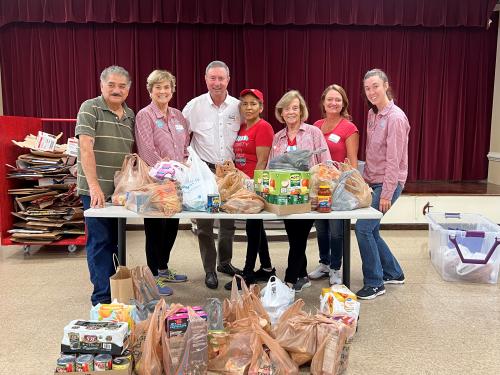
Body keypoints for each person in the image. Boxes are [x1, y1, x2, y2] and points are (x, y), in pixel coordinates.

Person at [76, 65, 135, 306]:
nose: (116, 90)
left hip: (121, 193)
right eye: (111, 85)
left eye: (122, 86)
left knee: (117, 242)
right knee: (100, 242)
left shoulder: (130, 115)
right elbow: (85, 148)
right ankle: (102, 298)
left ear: (128, 90)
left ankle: (116, 290)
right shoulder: (90, 108)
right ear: (102, 86)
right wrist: (94, 186)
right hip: (96, 192)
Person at [182, 60, 242, 289]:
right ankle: (209, 269)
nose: (217, 83)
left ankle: (224, 262)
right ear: (206, 80)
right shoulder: (193, 106)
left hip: (230, 172)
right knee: (205, 224)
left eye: (221, 78)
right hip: (204, 172)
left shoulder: (237, 107)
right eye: (213, 78)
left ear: (228, 80)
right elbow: (181, 138)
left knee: (228, 223)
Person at [354, 68, 410, 300]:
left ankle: (375, 282)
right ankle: (394, 272)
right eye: (367, 88)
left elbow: (393, 160)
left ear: (386, 85)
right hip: (373, 181)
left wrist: (386, 193)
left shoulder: (396, 118)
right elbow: (372, 152)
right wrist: (365, 181)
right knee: (372, 230)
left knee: (363, 228)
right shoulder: (372, 114)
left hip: (389, 183)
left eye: (376, 86)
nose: (371, 92)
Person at [268, 90, 331, 292]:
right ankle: (302, 276)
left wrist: (322, 189)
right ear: (281, 112)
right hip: (285, 199)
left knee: (298, 239)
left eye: (295, 108)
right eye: (287, 108)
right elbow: (271, 167)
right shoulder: (278, 138)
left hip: (307, 197)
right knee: (294, 237)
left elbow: (327, 163)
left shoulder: (314, 133)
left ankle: (289, 279)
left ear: (301, 110)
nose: (291, 112)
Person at [135, 69, 189, 296]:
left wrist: (185, 165)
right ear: (150, 91)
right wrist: (166, 170)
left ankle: (163, 268)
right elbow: (146, 149)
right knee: (155, 229)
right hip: (156, 182)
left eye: (167, 87)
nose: (163, 91)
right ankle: (153, 277)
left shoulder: (178, 116)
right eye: (158, 87)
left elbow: (185, 146)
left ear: (172, 90)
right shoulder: (144, 116)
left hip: (177, 182)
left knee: (172, 227)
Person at [223, 88, 276, 291]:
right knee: (256, 226)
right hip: (241, 184)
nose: (248, 107)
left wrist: (253, 189)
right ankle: (267, 267)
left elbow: (262, 161)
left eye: (253, 103)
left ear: (261, 107)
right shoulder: (243, 127)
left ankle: (247, 273)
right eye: (244, 103)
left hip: (254, 184)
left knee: (252, 228)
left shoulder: (263, 127)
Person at [308, 84, 359, 285]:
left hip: (337, 189)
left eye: (338, 100)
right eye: (330, 99)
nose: (333, 103)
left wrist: (345, 186)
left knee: (337, 230)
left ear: (343, 103)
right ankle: (325, 263)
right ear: (323, 102)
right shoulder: (316, 125)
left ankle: (336, 268)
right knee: (321, 228)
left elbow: (353, 162)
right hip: (319, 187)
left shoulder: (349, 128)